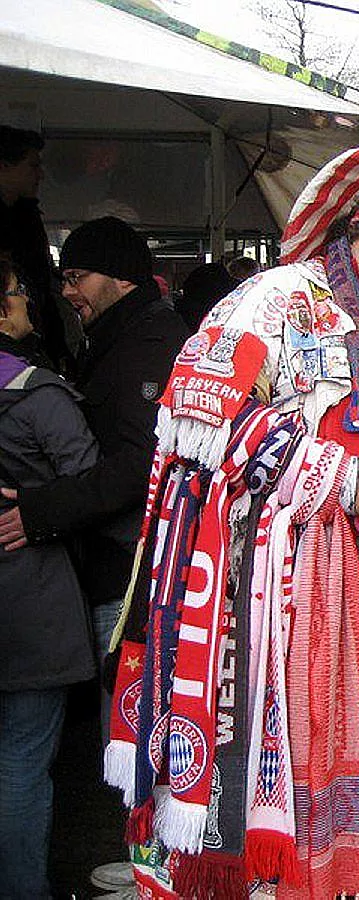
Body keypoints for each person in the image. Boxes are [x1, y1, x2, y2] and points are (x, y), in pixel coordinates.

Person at [100, 145, 359, 898]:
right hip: (280, 592)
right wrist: (344, 478)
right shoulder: (274, 299)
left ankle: (358, 880)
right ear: (350, 234)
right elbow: (195, 418)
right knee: (288, 761)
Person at [0, 217, 188, 714]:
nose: (66, 291)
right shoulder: (118, 335)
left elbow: (144, 461)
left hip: (131, 573)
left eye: (76, 277)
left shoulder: (152, 343)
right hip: (111, 562)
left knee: (124, 726)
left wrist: (41, 511)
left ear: (121, 277)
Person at [0, 259, 98, 900]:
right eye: (15, 291)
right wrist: (43, 506)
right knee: (23, 762)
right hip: (27, 597)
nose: (28, 300)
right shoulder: (36, 394)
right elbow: (89, 481)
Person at [0, 126, 72, 373]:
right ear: (4, 166)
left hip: (35, 335)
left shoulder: (28, 217)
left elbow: (41, 284)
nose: (40, 175)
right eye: (32, 166)